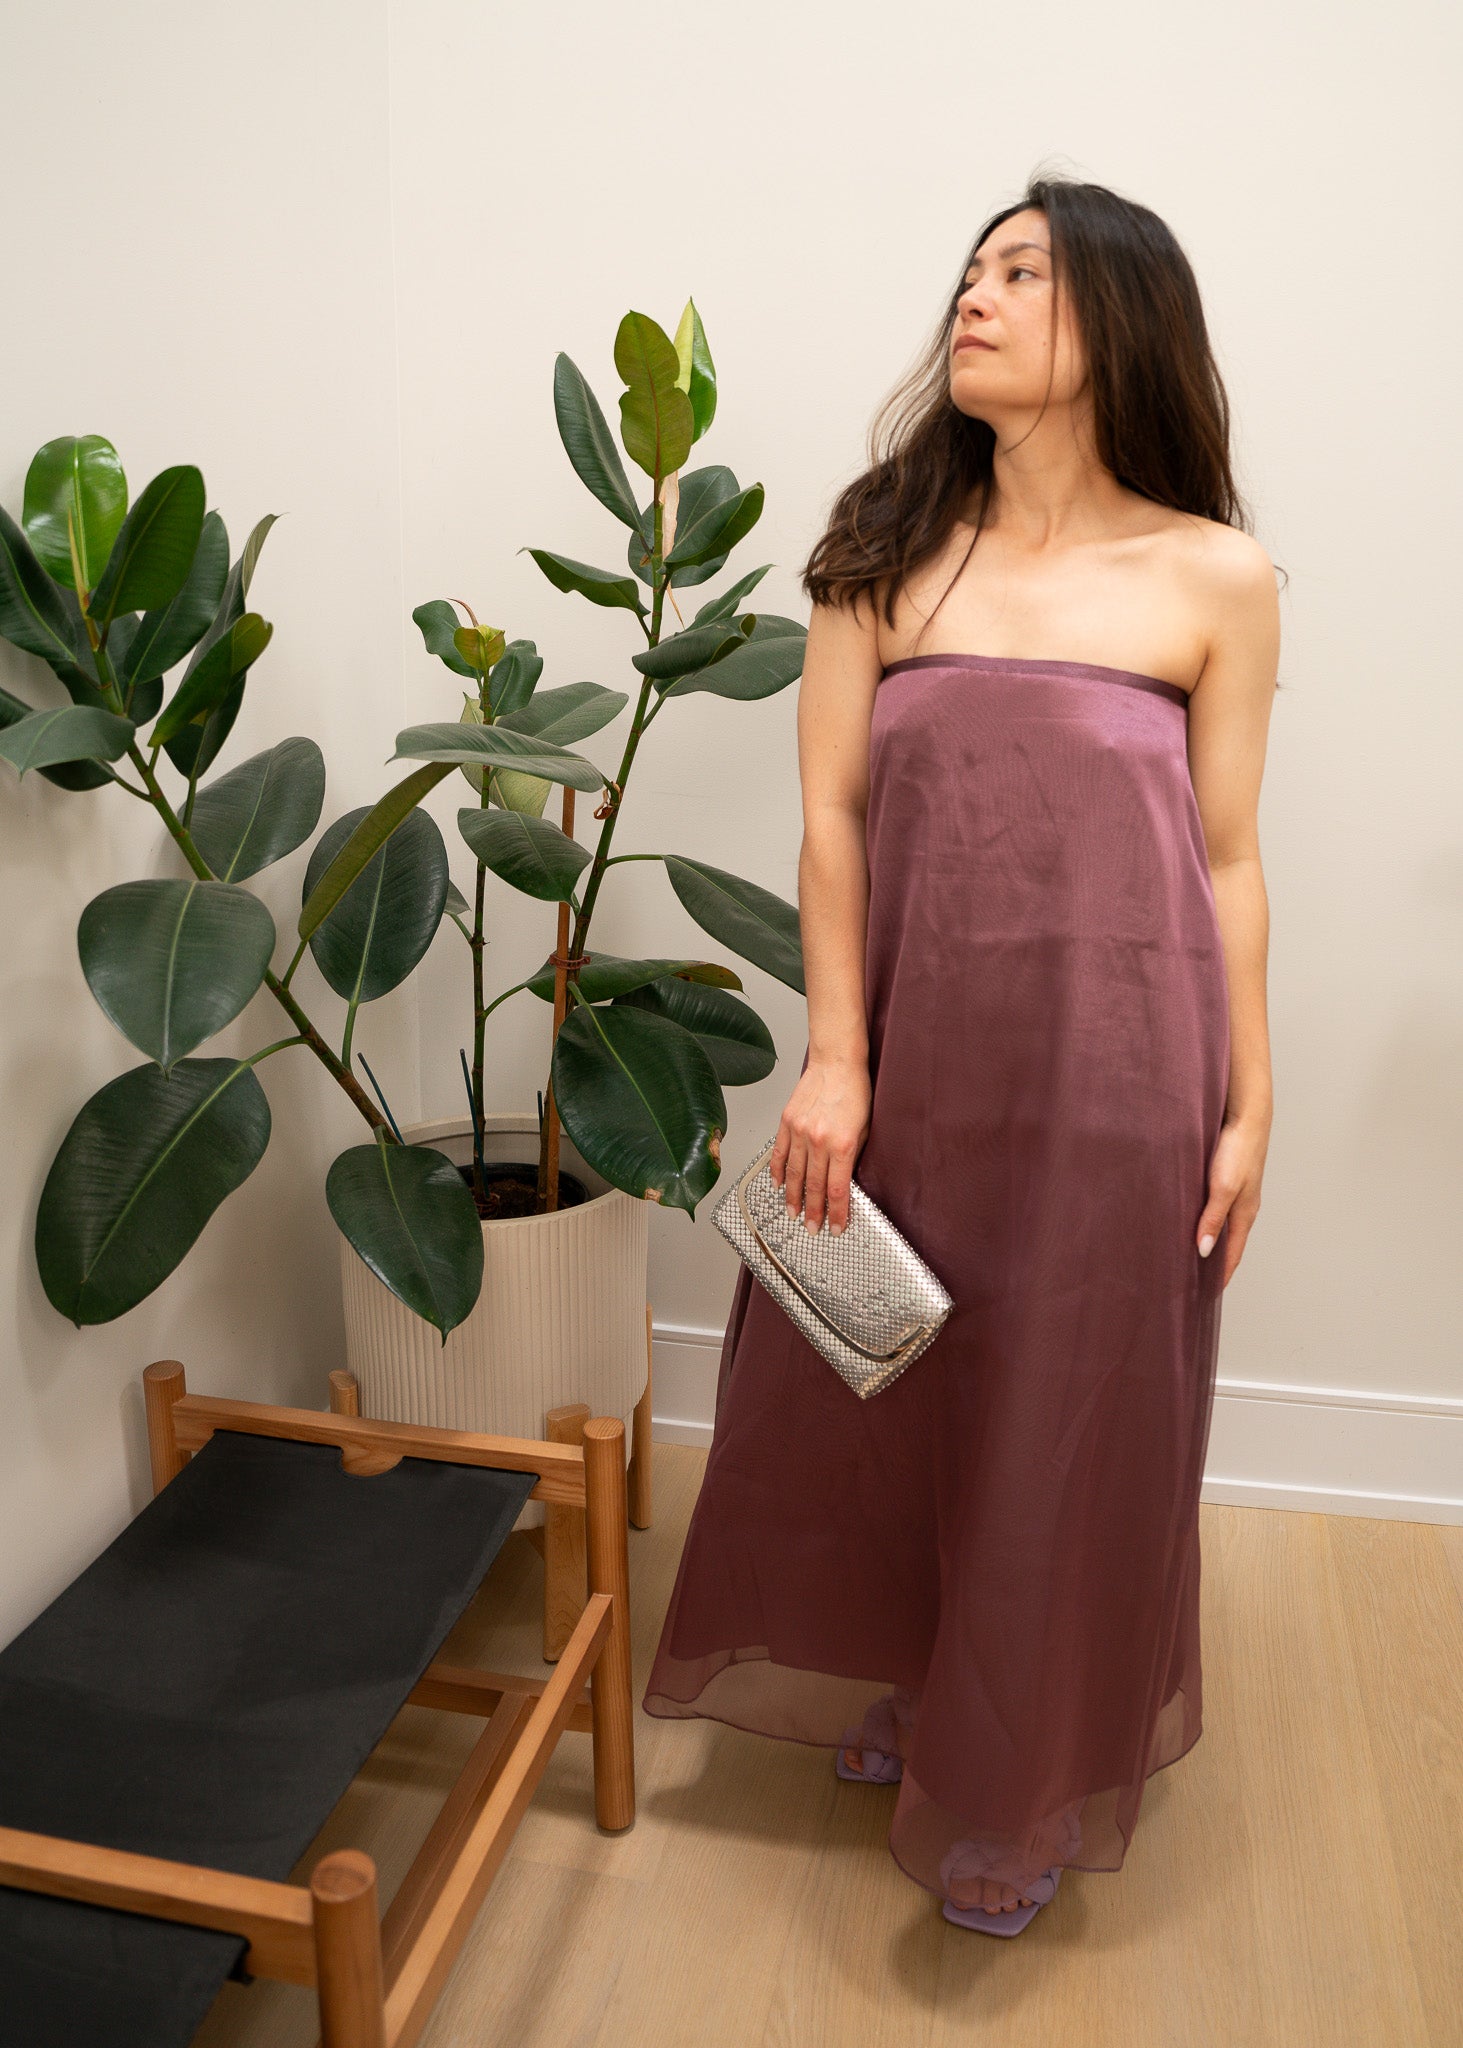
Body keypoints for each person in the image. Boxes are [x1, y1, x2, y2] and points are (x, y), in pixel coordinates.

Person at [642, 173, 1278, 1936]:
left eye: (1027, 273)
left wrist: (1252, 1102)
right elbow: (831, 824)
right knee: (882, 1383)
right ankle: (920, 1682)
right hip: (917, 1055)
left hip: (1123, 1073)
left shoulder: (1215, 576)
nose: (977, 298)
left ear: (1123, 321)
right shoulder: (881, 546)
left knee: (1074, 1420)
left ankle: (1007, 1789)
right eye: (974, 270)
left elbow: (1228, 860)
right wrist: (834, 1059)